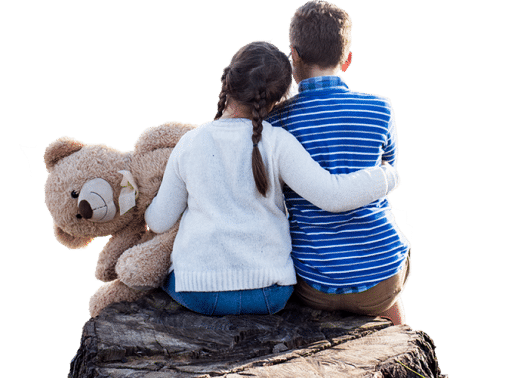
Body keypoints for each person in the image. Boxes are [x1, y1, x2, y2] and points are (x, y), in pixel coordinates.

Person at [144, 40, 401, 317]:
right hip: (270, 293)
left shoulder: (190, 142)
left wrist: (142, 199)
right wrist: (388, 176)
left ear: (228, 80)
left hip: (199, 293)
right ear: (277, 99)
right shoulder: (279, 141)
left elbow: (159, 222)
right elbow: (333, 196)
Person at [267, 1, 411, 325]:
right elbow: (385, 172)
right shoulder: (381, 109)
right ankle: (402, 336)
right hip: (381, 279)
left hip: (314, 283)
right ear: (347, 60)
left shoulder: (275, 122)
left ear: (294, 56)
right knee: (391, 270)